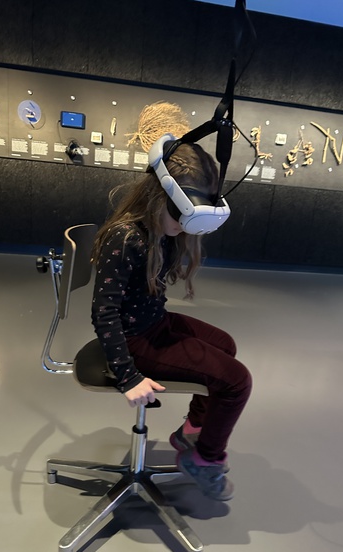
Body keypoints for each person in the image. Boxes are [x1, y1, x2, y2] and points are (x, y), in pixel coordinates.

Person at [91, 140, 252, 501]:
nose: (185, 224)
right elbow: (104, 311)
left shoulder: (161, 231)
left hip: (155, 323)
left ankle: (191, 431)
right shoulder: (125, 237)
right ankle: (205, 459)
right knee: (237, 381)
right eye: (181, 213)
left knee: (225, 345)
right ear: (156, 197)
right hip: (136, 341)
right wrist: (127, 375)